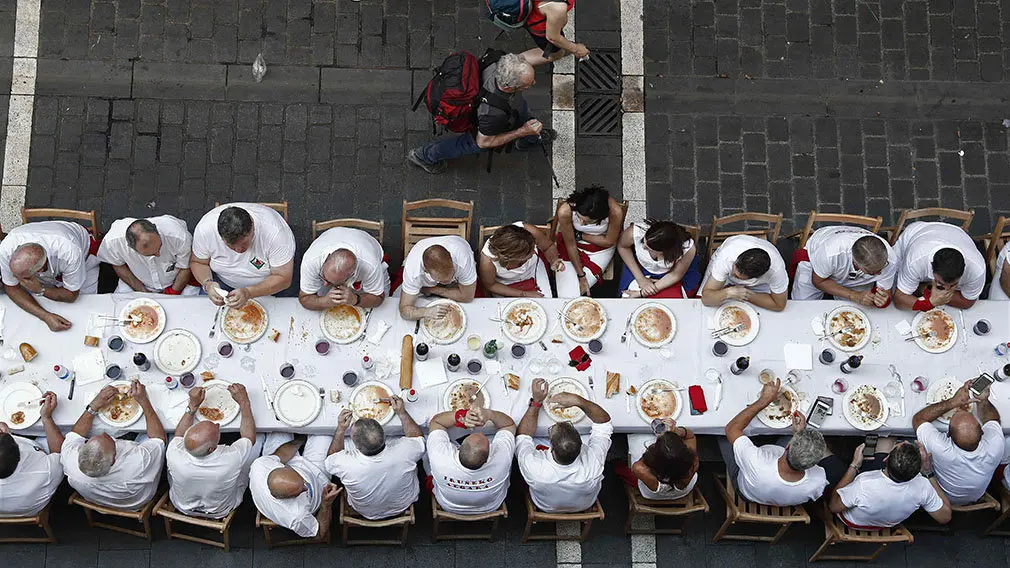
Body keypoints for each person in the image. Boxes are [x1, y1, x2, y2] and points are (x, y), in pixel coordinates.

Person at [407, 53, 555, 174]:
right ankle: (425, 155)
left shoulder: (501, 61)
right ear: (509, 87)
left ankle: (530, 138)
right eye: (528, 84)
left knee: (522, 111)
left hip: (509, 105)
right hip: (483, 121)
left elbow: (526, 58)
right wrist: (522, 131)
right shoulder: (492, 114)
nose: (533, 84)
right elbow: (484, 142)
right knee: (468, 144)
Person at [719, 379, 836, 505]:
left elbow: (731, 429)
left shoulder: (758, 462)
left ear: (787, 447)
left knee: (720, 431)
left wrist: (764, 401)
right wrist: (798, 433)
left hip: (747, 492)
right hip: (775, 492)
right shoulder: (820, 479)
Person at [61, 382, 166, 510]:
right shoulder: (138, 462)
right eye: (110, 439)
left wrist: (94, 405)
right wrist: (144, 401)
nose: (105, 433)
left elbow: (75, 434)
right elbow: (159, 439)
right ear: (114, 459)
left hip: (100, 501)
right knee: (163, 435)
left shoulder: (69, 458)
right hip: (138, 501)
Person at [516, 378, 612, 513]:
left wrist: (536, 402)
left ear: (551, 447)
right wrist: (579, 401)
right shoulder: (594, 463)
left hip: (546, 506)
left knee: (533, 437)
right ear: (581, 446)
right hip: (584, 505)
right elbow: (604, 423)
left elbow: (523, 437)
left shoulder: (534, 467)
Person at [166, 384, 261, 518]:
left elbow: (178, 435)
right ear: (212, 449)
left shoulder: (173, 453)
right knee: (259, 439)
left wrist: (192, 406)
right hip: (220, 510)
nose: (217, 424)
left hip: (182, 506)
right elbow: (249, 437)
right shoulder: (231, 459)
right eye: (216, 427)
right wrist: (244, 402)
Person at [325, 398, 425, 520]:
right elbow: (419, 439)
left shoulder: (346, 464)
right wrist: (402, 413)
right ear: (384, 436)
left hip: (366, 510)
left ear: (356, 447)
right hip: (404, 502)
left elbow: (330, 460)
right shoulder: (405, 450)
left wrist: (341, 430)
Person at [913, 380, 1002, 506]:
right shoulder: (996, 444)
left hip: (940, 496)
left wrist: (953, 402)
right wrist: (983, 400)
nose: (959, 410)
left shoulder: (941, 448)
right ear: (982, 433)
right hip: (974, 497)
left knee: (912, 443)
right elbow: (993, 420)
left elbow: (918, 419)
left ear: (947, 435)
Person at [190, 203, 296, 309]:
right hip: (221, 283)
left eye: (244, 243)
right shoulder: (205, 230)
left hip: (269, 287)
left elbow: (283, 278)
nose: (239, 251)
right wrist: (207, 283)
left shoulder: (276, 235)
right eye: (231, 246)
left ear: (253, 226)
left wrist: (249, 292)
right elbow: (198, 262)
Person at [0, 221, 101, 331]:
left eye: (24, 278)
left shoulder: (69, 253)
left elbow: (71, 295)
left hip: (83, 257)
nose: (18, 280)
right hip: (54, 258)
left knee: (85, 309)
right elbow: (12, 288)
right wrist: (45, 316)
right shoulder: (6, 250)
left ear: (41, 270)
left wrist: (40, 290)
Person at [830, 438, 951, 528]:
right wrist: (928, 472)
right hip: (888, 522)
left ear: (886, 460)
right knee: (887, 440)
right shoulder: (923, 486)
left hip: (852, 521)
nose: (904, 440)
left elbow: (833, 507)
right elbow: (945, 517)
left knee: (833, 466)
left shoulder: (864, 483)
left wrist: (854, 465)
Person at [426, 406, 516, 515]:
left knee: (429, 445)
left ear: (458, 448)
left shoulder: (441, 456)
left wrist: (460, 416)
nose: (482, 433)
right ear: (488, 458)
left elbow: (436, 422)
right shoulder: (501, 457)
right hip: (490, 506)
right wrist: (490, 414)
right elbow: (509, 425)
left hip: (448, 505)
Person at [249, 433, 340, 539]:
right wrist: (326, 504)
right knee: (324, 435)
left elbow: (281, 454)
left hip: (297, 464)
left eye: (302, 482)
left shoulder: (260, 465)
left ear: (283, 467)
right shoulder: (297, 516)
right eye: (301, 491)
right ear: (287, 498)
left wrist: (301, 439)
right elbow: (320, 534)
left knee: (278, 431)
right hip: (318, 478)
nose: (306, 487)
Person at [790, 226, 896, 307]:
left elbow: (885, 292)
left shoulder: (889, 259)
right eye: (872, 272)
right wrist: (854, 295)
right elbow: (818, 281)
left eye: (882, 267)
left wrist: (883, 300)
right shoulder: (829, 253)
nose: (880, 273)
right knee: (802, 305)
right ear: (856, 263)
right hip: (816, 263)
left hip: (849, 273)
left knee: (858, 310)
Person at [892, 221, 986, 311]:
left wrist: (926, 290)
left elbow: (966, 303)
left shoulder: (977, 269)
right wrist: (929, 303)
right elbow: (899, 300)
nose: (946, 290)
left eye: (953, 285)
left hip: (957, 235)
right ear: (932, 267)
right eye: (940, 284)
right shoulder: (915, 260)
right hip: (914, 237)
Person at [97, 215, 198, 295]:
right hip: (137, 282)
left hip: (177, 282)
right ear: (130, 247)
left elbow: (185, 267)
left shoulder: (179, 237)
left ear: (155, 228)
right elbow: (118, 265)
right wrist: (142, 291)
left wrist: (173, 292)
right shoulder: (113, 242)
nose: (158, 254)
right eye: (150, 254)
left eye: (160, 247)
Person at [0, 392, 64, 517]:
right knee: (64, 436)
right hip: (31, 509)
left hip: (6, 510)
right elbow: (60, 452)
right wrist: (46, 417)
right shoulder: (44, 471)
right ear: (20, 455)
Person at [553, 186, 624, 297]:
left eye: (587, 222)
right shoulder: (565, 211)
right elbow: (570, 244)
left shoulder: (615, 212)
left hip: (601, 248)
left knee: (577, 291)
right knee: (566, 294)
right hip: (574, 245)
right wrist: (581, 275)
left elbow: (609, 241)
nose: (580, 223)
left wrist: (581, 235)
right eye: (579, 217)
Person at [298, 227, 389, 311]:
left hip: (370, 252)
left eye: (331, 283)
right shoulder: (311, 261)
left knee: (382, 309)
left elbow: (379, 298)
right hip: (331, 235)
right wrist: (324, 302)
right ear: (327, 259)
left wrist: (355, 299)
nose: (325, 284)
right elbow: (304, 298)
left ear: (353, 274)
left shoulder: (370, 265)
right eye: (324, 277)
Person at [397, 236, 477, 320]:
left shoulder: (463, 259)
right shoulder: (413, 271)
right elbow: (404, 310)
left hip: (457, 244)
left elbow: (467, 297)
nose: (450, 281)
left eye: (452, 274)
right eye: (444, 280)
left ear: (450, 256)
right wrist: (427, 312)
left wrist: (432, 290)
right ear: (426, 270)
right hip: (417, 257)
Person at [701, 234, 788, 312]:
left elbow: (779, 305)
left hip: (757, 286)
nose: (733, 275)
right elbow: (706, 298)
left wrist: (747, 294)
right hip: (724, 264)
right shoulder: (726, 256)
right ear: (737, 258)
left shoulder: (776, 271)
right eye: (734, 270)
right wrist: (727, 293)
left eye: (738, 277)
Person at [616, 420, 698, 501]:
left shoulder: (640, 469)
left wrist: (655, 446)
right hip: (681, 492)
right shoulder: (693, 463)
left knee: (637, 438)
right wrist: (677, 431)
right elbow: (690, 436)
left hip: (651, 494)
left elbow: (639, 464)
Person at [617, 220, 701, 298]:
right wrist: (641, 279)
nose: (643, 246)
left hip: (670, 276)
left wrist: (643, 293)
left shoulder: (688, 249)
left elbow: (675, 275)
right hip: (639, 269)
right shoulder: (635, 232)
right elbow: (622, 247)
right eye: (643, 241)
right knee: (627, 297)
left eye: (649, 248)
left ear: (665, 252)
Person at [478, 223, 561, 298]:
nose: (533, 254)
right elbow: (491, 285)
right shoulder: (487, 262)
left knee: (547, 302)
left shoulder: (531, 231)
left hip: (534, 270)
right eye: (527, 256)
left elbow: (548, 247)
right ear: (510, 258)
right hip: (504, 283)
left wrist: (554, 261)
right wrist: (525, 294)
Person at [520, 0, 587, 66]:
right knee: (556, 54)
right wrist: (576, 49)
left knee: (560, 47)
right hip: (542, 29)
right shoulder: (557, 6)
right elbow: (553, 38)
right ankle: (513, 64)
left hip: (539, 17)